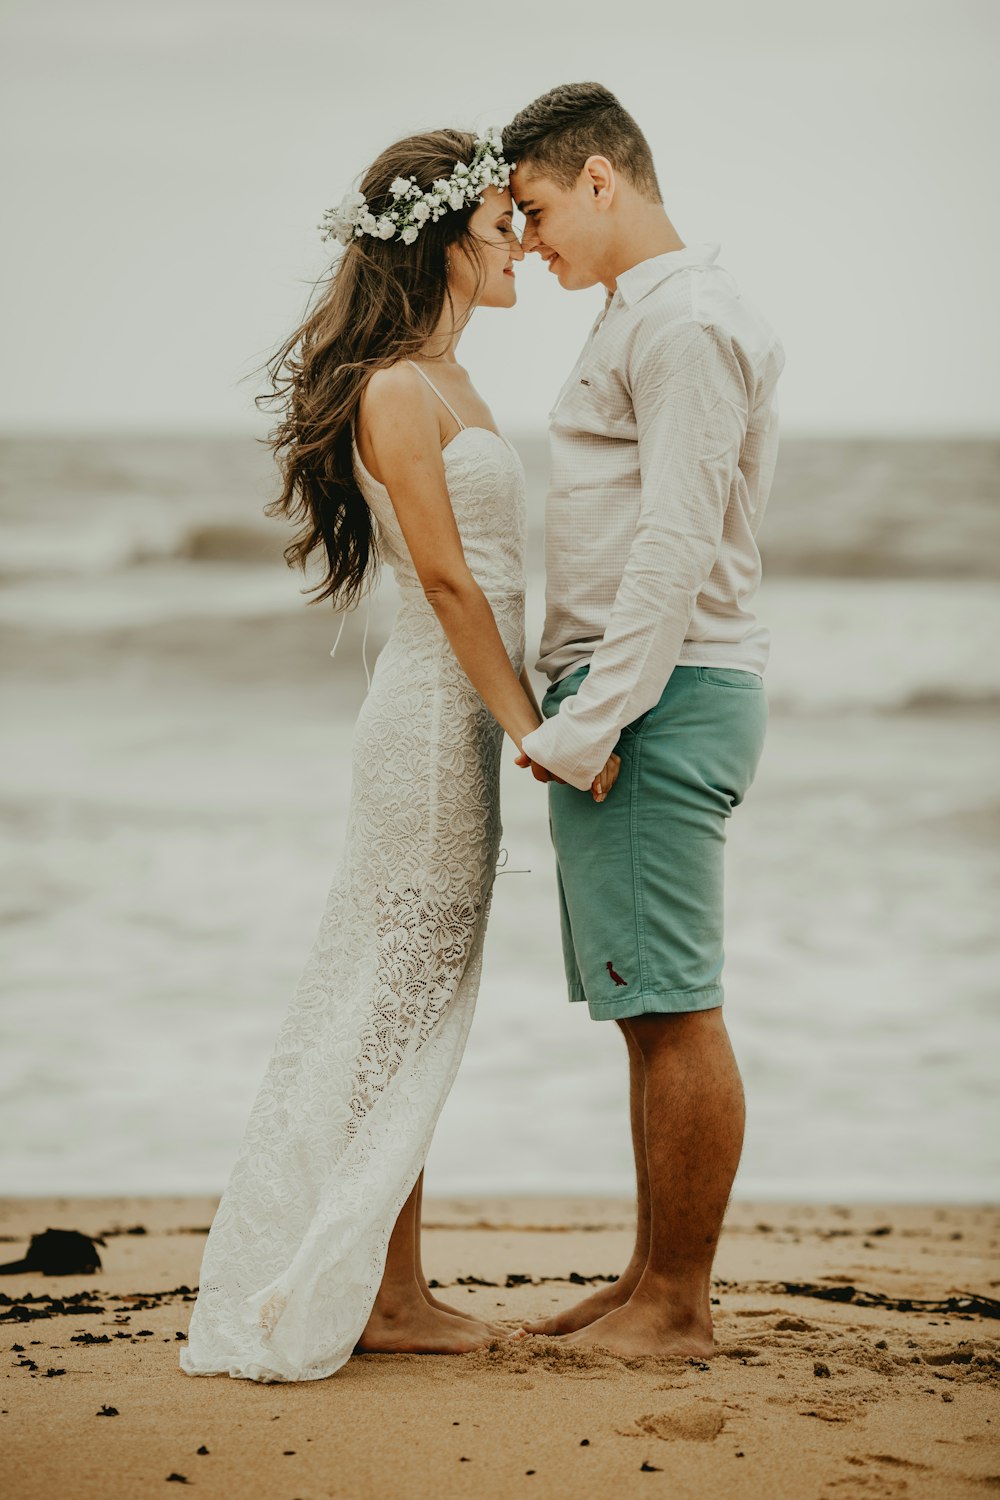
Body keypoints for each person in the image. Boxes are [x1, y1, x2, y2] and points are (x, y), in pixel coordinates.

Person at [180, 125, 619, 1383]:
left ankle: (388, 1280)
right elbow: (441, 576)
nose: (522, 253)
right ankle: (387, 1294)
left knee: (419, 1000)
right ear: (441, 239)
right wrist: (533, 725)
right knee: (401, 1004)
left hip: (462, 726)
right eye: (499, 233)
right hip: (433, 731)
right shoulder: (396, 388)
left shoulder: (456, 382)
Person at [504, 84, 785, 1358]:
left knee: (675, 1007)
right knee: (646, 1005)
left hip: (656, 701)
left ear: (603, 177)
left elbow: (671, 551)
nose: (527, 236)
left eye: (539, 206)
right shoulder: (642, 316)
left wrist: (590, 722)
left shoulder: (685, 323)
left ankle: (676, 1306)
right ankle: (647, 1279)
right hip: (640, 697)